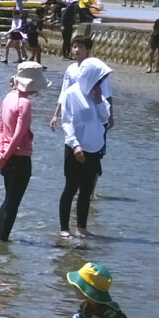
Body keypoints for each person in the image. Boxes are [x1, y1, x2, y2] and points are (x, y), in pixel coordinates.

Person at [0, 62, 48, 242]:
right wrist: (6, 155)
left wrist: (1, 154)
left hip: (7, 159)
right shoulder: (25, 103)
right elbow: (19, 134)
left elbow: (0, 128)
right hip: (20, 159)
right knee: (13, 203)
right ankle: (3, 242)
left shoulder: (8, 97)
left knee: (7, 200)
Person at [57, 58, 111, 239]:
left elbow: (105, 119)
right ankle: (64, 228)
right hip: (75, 149)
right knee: (71, 187)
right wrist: (75, 145)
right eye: (97, 80)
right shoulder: (71, 94)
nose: (99, 84)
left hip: (93, 149)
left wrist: (99, 101)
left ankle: (81, 227)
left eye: (101, 81)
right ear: (89, 77)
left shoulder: (98, 95)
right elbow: (67, 121)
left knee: (86, 190)